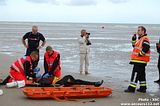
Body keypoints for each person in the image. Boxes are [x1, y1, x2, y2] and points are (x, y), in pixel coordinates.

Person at [124, 26, 150, 93]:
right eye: (137, 30)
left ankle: (131, 88)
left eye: (139, 30)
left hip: (139, 60)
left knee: (135, 74)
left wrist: (141, 54)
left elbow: (146, 47)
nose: (137, 31)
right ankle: (143, 88)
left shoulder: (145, 38)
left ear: (143, 31)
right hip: (140, 60)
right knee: (141, 75)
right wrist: (134, 38)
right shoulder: (140, 39)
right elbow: (134, 45)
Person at [39, 75, 103, 87]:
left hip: (61, 82)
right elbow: (49, 84)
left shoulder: (43, 78)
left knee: (79, 81)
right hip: (60, 83)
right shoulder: (42, 80)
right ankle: (95, 83)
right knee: (69, 76)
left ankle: (95, 83)